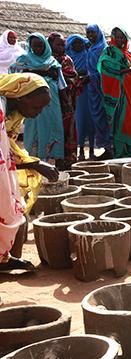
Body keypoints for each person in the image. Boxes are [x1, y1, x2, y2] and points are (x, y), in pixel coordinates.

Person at [0, 73, 59, 271]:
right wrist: (35, 164)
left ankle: (4, 259)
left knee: (16, 209)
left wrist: (34, 163)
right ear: (20, 97)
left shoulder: (13, 114)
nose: (38, 113)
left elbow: (7, 148)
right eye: (36, 107)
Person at [10, 33, 65, 162]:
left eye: (40, 46)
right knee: (33, 128)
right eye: (35, 46)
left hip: (51, 102)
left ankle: (50, 160)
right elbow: (14, 78)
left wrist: (66, 103)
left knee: (52, 127)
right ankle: (34, 159)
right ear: (31, 46)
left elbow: (61, 85)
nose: (38, 49)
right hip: (31, 103)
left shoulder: (52, 62)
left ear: (45, 46)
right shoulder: (24, 60)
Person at [98, 27, 131, 158]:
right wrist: (129, 70)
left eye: (123, 37)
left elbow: (130, 69)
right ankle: (120, 150)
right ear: (113, 37)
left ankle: (130, 148)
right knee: (121, 119)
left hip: (130, 91)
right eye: (117, 37)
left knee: (130, 119)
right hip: (119, 93)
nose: (120, 40)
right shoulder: (109, 52)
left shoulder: (127, 53)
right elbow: (107, 69)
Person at [48, 33, 80, 168]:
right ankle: (56, 158)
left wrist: (65, 79)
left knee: (69, 128)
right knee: (54, 129)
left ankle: (69, 158)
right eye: (58, 45)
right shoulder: (47, 60)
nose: (61, 47)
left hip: (67, 100)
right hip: (52, 100)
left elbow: (73, 77)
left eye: (63, 45)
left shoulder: (67, 60)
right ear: (50, 45)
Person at [66, 34, 95, 161]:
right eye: (75, 43)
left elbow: (94, 70)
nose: (78, 45)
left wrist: (88, 76)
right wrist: (77, 77)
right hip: (75, 94)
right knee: (78, 122)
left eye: (80, 43)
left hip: (89, 91)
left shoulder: (88, 55)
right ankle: (80, 150)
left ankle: (92, 150)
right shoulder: (67, 58)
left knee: (90, 120)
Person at [85, 24, 111, 159]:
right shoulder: (90, 48)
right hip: (93, 89)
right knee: (98, 118)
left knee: (106, 117)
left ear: (98, 33)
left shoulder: (103, 49)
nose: (90, 36)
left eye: (93, 33)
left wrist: (92, 77)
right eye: (88, 33)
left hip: (103, 88)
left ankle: (110, 149)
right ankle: (106, 148)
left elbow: (105, 70)